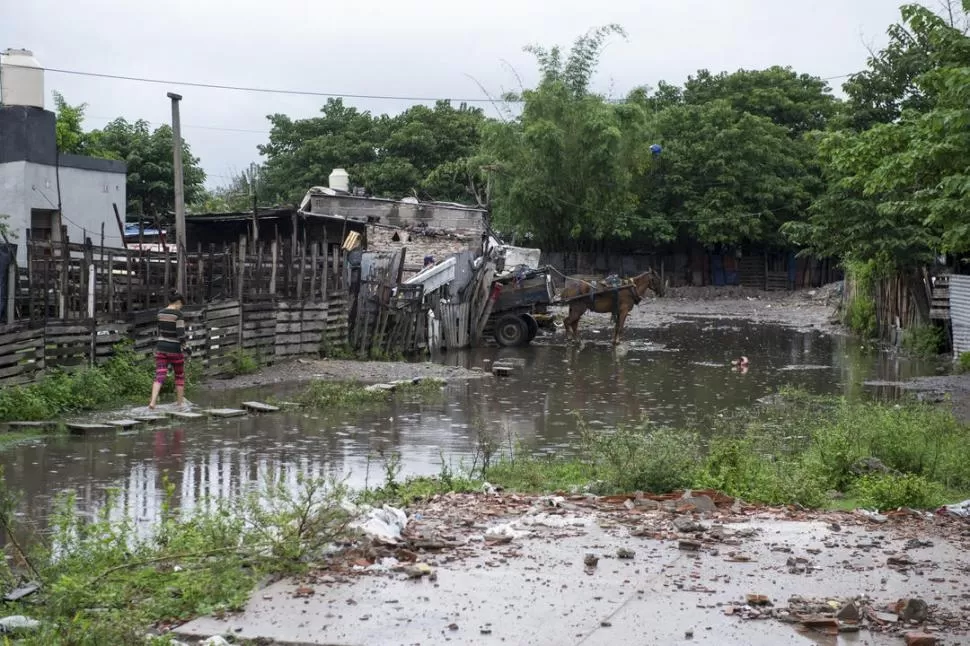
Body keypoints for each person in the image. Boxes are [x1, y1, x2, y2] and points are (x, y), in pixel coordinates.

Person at [149, 292, 187, 410]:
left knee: (159, 375)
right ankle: (180, 404)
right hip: (175, 349)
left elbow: (160, 330)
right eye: (181, 305)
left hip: (161, 348)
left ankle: (153, 402)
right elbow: (180, 334)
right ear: (178, 302)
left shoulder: (160, 313)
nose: (181, 307)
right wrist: (186, 347)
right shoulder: (178, 314)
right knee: (179, 375)